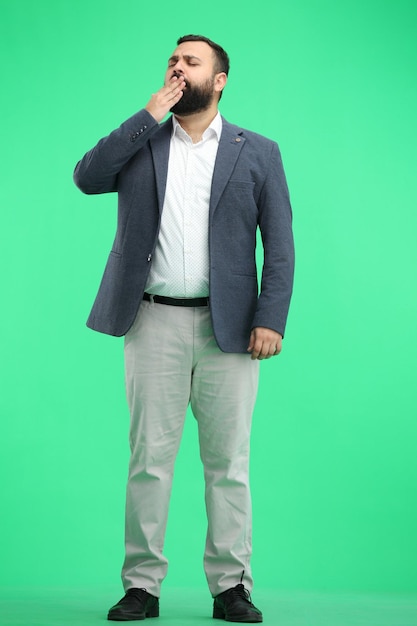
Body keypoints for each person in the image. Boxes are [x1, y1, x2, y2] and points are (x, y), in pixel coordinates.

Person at [74, 34, 294, 623]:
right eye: (172, 60)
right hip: (151, 321)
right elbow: (87, 178)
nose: (178, 67)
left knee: (229, 463)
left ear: (218, 79)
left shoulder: (258, 152)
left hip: (231, 331)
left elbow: (280, 246)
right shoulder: (142, 141)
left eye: (190, 61)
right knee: (149, 460)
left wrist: (270, 317)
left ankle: (231, 588)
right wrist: (148, 114)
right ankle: (141, 585)